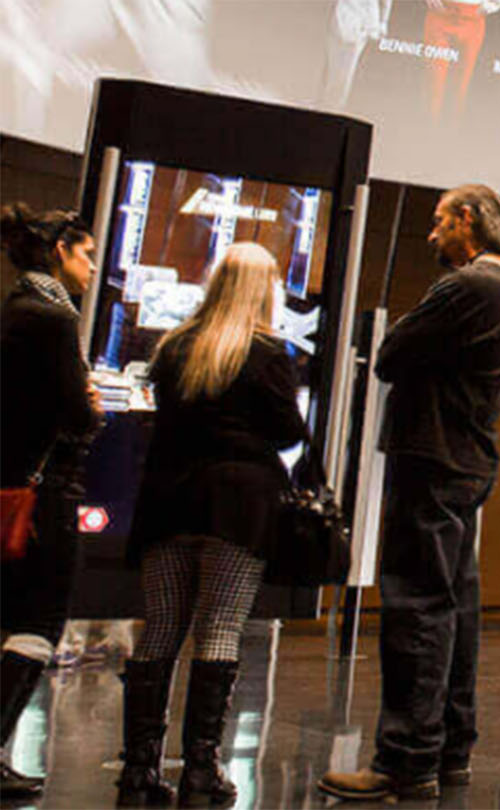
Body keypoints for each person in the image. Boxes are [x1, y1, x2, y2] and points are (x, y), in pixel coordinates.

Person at [319, 184, 500, 802]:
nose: (431, 235)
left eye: (439, 222)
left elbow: (388, 354)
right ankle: (448, 750)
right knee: (455, 608)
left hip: (433, 460)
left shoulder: (468, 287)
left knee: (417, 607)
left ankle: (405, 762)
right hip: (462, 459)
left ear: (468, 220)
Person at [118, 242, 310, 807]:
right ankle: (202, 768)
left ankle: (137, 771)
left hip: (167, 497)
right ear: (264, 289)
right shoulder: (268, 352)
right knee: (221, 626)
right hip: (237, 504)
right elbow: (289, 432)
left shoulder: (175, 347)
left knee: (159, 628)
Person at [0, 204, 99, 800]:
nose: (91, 268)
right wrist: (91, 406)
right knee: (38, 623)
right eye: (86, 254)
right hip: (45, 493)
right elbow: (78, 413)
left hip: (12, 485)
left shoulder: (14, 309)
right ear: (60, 250)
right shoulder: (54, 320)